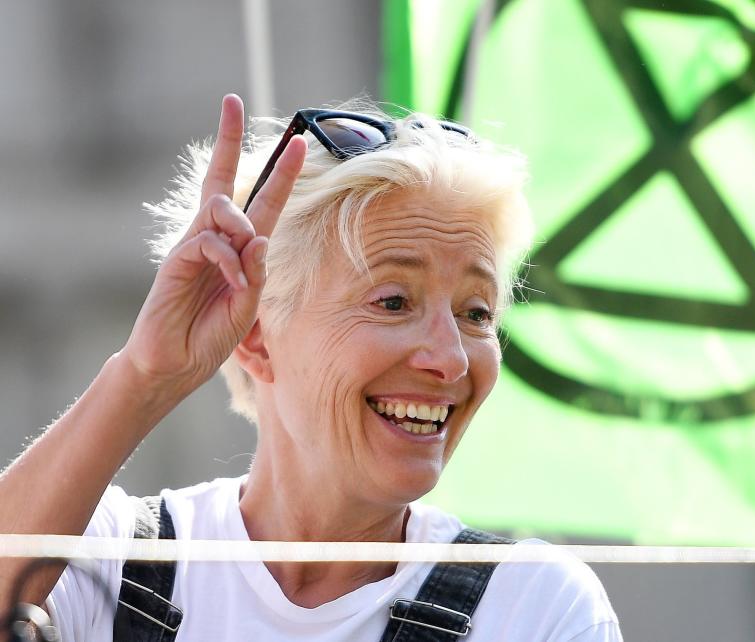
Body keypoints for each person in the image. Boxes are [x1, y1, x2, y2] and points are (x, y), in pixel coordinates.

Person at [0, 95, 622, 641]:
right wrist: (145, 376)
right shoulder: (110, 557)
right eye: (394, 302)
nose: (451, 359)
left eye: (476, 313)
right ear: (257, 338)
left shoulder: (531, 607)